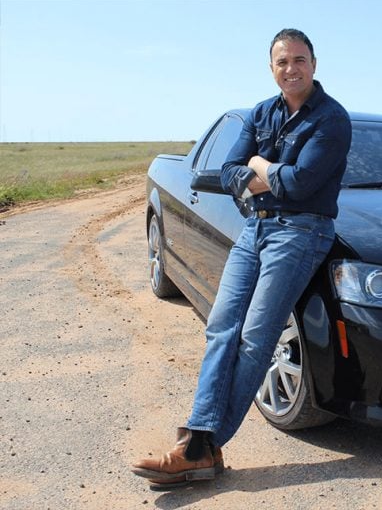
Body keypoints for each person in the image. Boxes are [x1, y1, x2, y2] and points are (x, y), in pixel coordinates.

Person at [131, 28, 351, 490]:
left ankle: (199, 446)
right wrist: (260, 173)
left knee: (255, 336)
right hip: (255, 228)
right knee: (221, 326)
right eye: (281, 62)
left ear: (314, 64)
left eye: (299, 60)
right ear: (271, 68)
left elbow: (299, 185)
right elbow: (229, 172)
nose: (290, 69)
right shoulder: (261, 112)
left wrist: (258, 165)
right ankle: (202, 448)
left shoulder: (332, 119)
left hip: (301, 231)